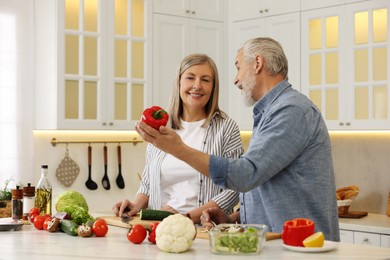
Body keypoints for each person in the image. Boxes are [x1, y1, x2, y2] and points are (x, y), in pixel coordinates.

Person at [135, 37, 340, 241]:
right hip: (279, 244)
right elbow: (265, 186)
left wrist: (178, 149)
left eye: (238, 67)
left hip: (300, 247)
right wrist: (232, 219)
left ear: (257, 64)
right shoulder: (272, 113)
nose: (236, 79)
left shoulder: (291, 111)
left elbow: (245, 175)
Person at [113, 53, 244, 224]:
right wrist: (134, 206)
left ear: (213, 87)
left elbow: (235, 188)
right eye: (190, 78)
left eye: (205, 80)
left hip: (203, 228)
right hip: (158, 227)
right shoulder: (161, 127)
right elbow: (147, 182)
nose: (197, 85)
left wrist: (186, 218)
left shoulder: (226, 128)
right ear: (179, 82)